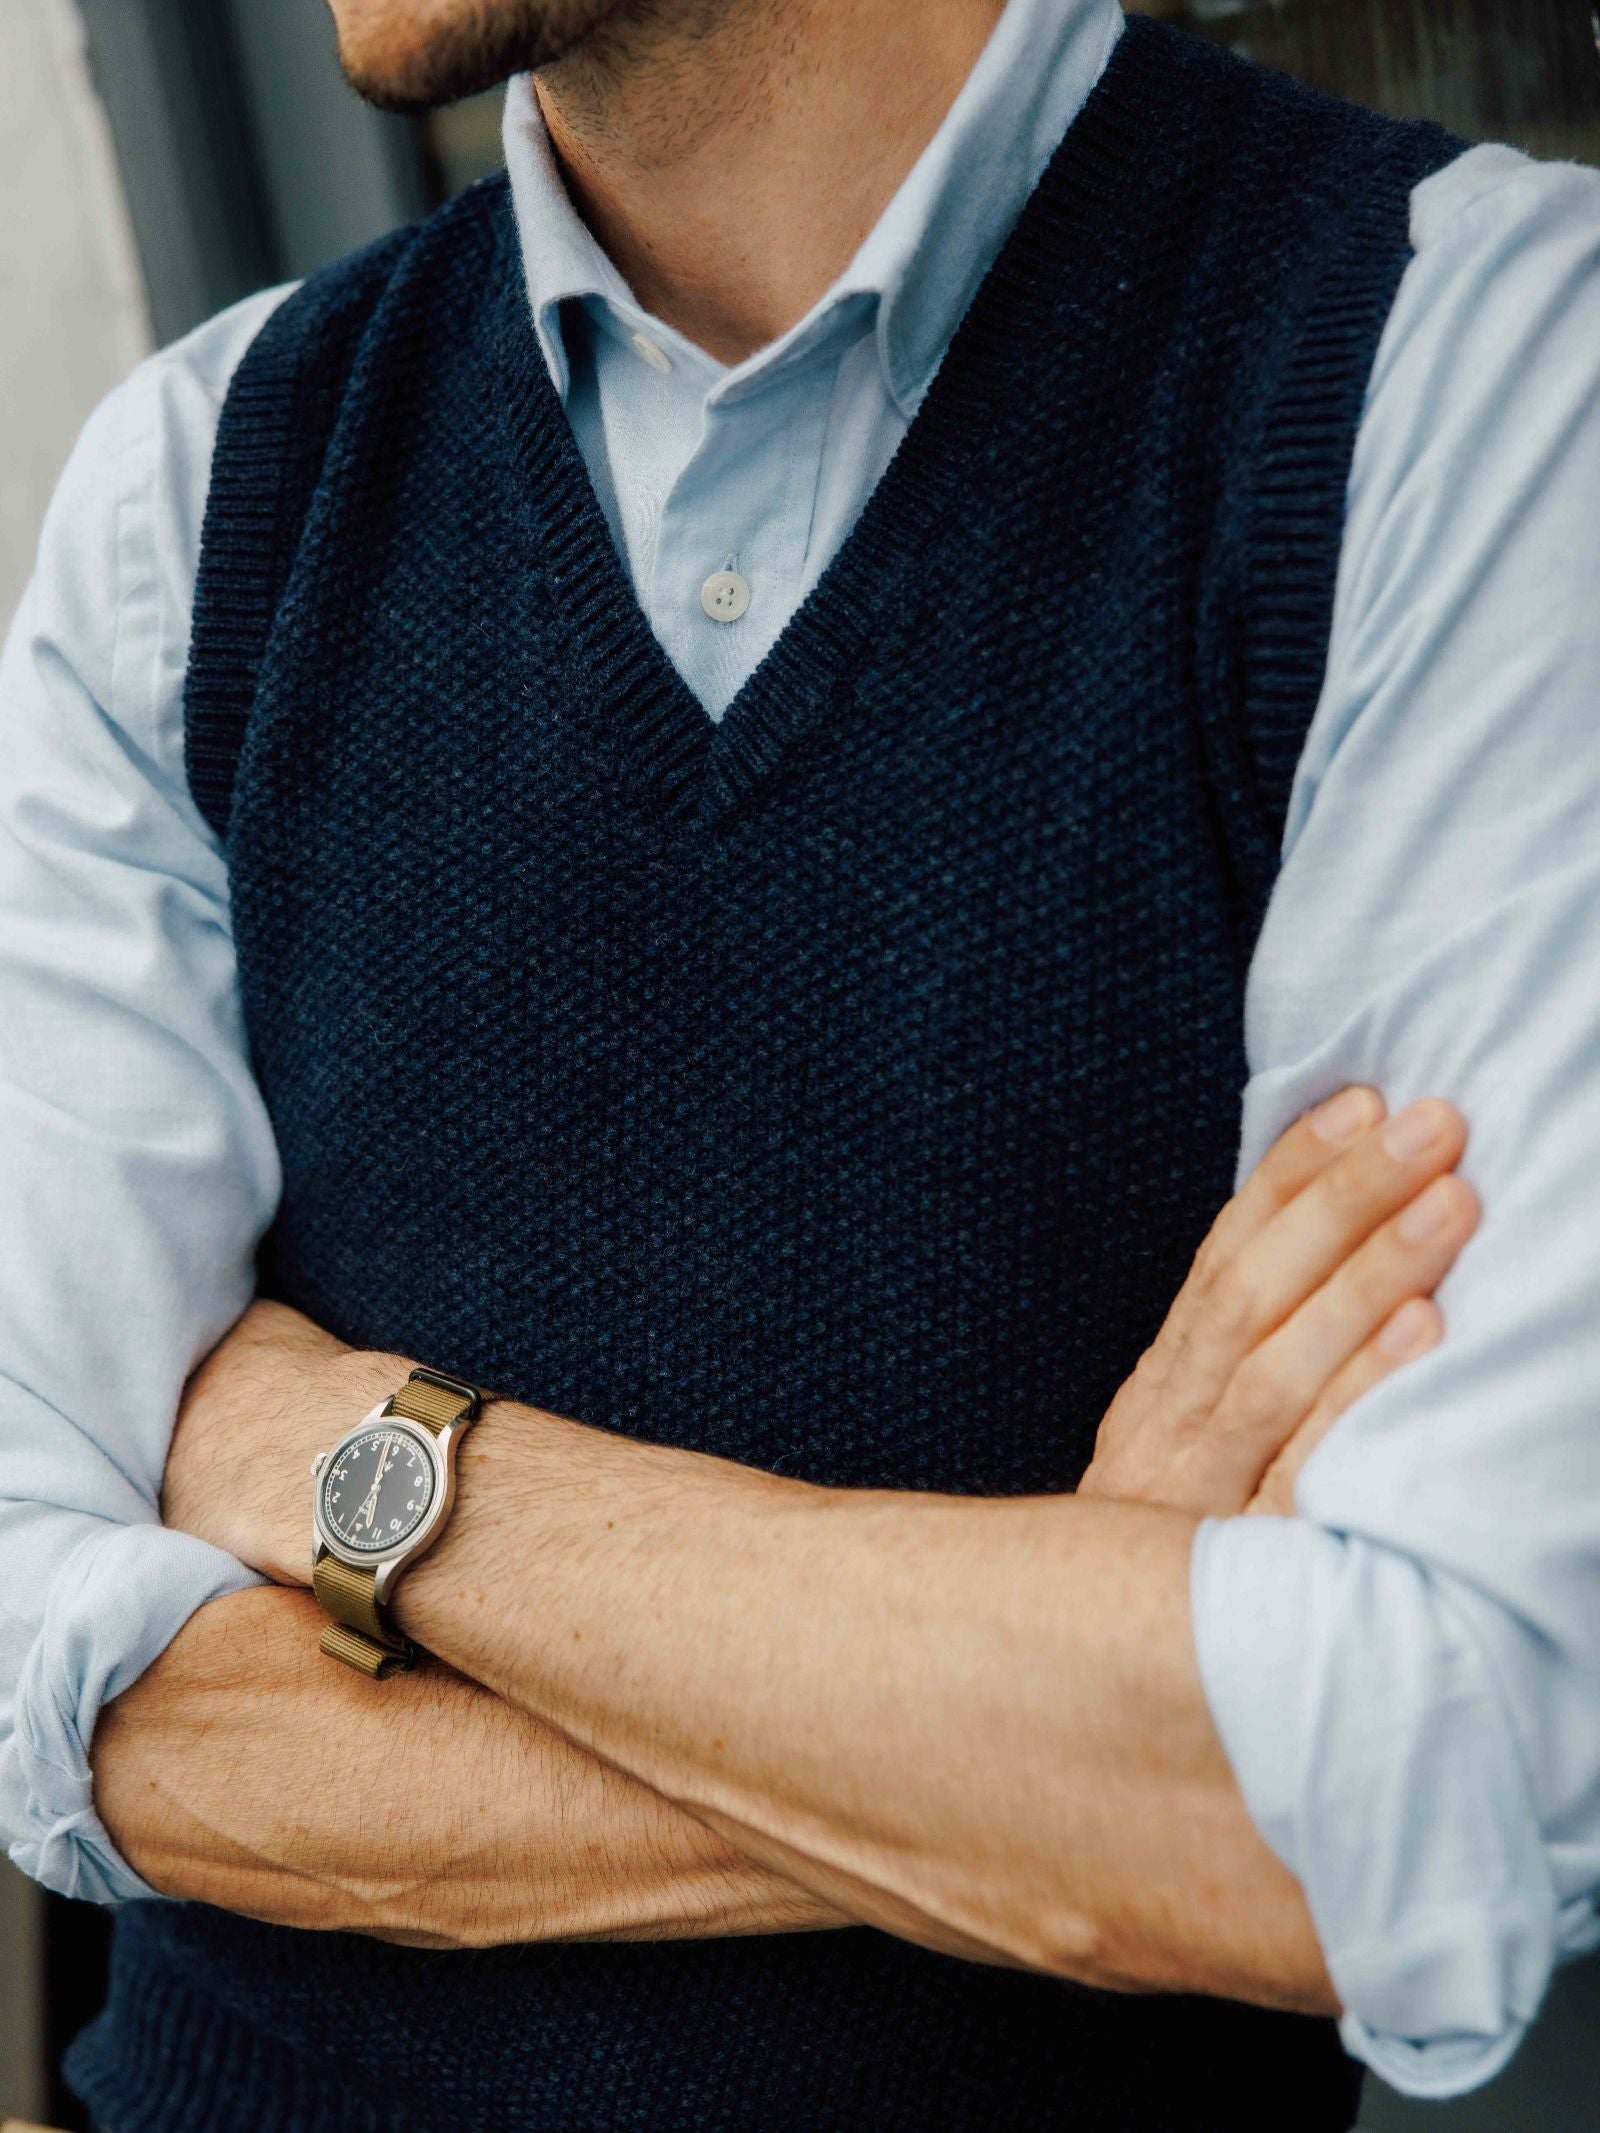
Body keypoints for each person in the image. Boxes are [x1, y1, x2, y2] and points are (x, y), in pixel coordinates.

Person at [1, 0, 1598, 2126]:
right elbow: (49, 1673)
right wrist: (1044, 1705)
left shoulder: (1465, 364)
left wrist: (348, 1459)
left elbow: (1431, 1771)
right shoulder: (196, 492)